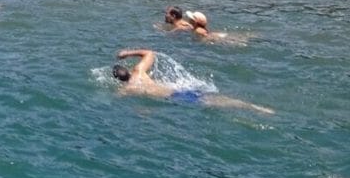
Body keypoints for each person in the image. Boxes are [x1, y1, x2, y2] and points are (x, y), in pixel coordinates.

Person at [111, 49, 272, 113]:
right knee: (219, 100)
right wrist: (128, 53)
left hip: (177, 98)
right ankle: (255, 107)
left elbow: (115, 98)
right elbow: (149, 53)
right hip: (180, 91)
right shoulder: (139, 72)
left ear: (119, 80)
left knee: (215, 103)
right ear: (129, 70)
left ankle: (256, 109)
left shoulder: (128, 89)